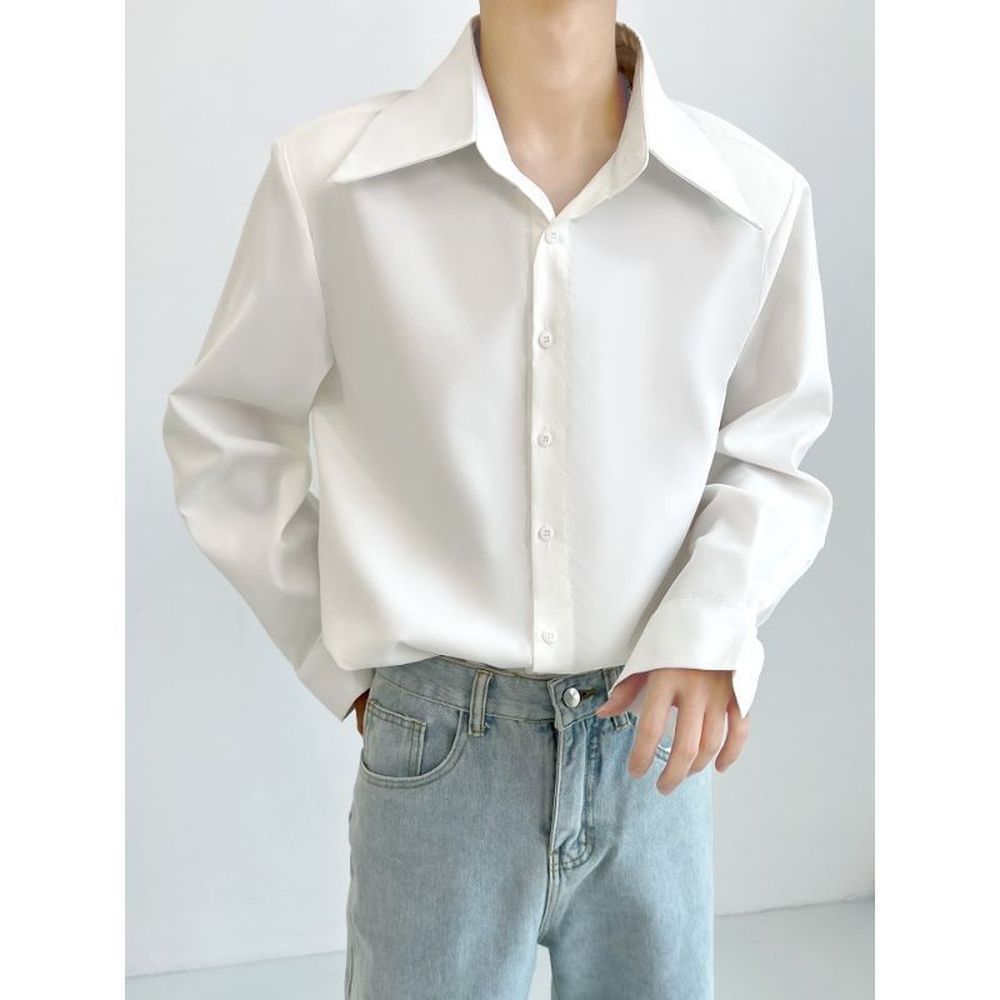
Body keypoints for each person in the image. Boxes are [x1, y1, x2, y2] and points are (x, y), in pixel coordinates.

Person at [162, 2, 833, 997]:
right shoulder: (332, 183)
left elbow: (772, 452)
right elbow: (226, 433)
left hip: (650, 748)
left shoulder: (751, 202)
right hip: (438, 755)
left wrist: (710, 625)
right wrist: (340, 651)